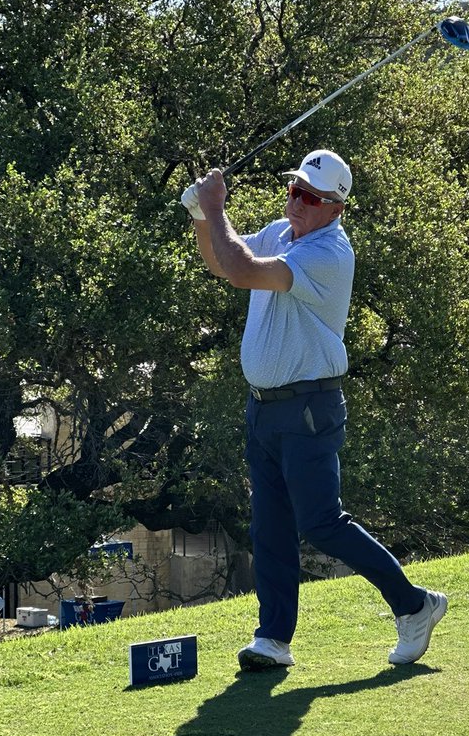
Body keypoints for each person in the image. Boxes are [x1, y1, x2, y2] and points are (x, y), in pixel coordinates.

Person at [183, 150, 447, 670]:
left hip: (309, 407)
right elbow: (220, 261)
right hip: (264, 409)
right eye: (294, 190)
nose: (296, 202)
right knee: (269, 526)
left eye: (310, 197)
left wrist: (215, 209)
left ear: (335, 209)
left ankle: (416, 606)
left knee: (322, 522)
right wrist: (200, 217)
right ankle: (273, 639)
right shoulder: (282, 231)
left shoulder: (329, 253)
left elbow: (241, 271)